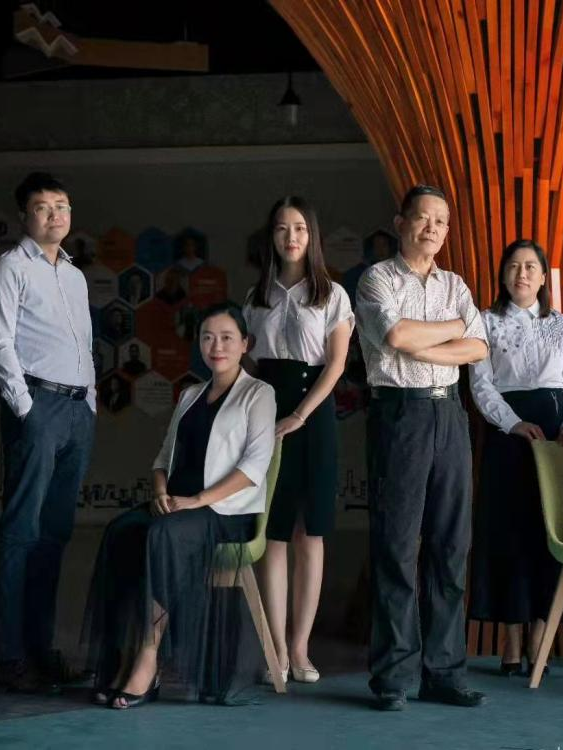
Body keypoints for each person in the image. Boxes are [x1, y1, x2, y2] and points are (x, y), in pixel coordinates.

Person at [81, 303, 276, 708]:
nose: (216, 346)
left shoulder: (259, 394)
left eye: (226, 337)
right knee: (121, 531)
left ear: (245, 343)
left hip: (225, 512)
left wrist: (197, 501)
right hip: (179, 505)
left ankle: (148, 659)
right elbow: (162, 459)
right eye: (207, 338)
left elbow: (254, 467)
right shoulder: (190, 394)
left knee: (162, 534)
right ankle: (120, 657)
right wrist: (160, 493)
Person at [356, 184, 489, 711]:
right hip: (400, 415)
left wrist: (430, 341)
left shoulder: (455, 284)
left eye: (441, 222)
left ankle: (444, 672)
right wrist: (452, 330)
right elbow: (395, 337)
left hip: (449, 414)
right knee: (396, 545)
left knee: (451, 546)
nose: (432, 228)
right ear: (401, 222)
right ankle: (393, 676)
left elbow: (478, 346)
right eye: (423, 218)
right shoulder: (377, 279)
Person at [0, 172, 96, 693]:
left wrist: (90, 401)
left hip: (77, 410)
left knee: (54, 535)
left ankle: (40, 649)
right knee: (20, 533)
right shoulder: (12, 267)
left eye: (62, 205)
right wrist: (27, 408)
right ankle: (10, 660)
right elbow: (0, 343)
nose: (55, 215)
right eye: (43, 207)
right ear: (24, 216)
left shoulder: (74, 275)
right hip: (38, 405)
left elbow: (84, 345)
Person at [467, 239, 563, 675]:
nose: (522, 274)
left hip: (557, 437)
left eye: (531, 267)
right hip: (508, 435)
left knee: (547, 533)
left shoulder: (560, 324)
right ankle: (512, 641)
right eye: (514, 266)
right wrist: (512, 422)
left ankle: (540, 636)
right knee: (509, 533)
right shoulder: (485, 321)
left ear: (542, 277)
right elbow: (481, 384)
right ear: (503, 275)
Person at [243, 196, 353, 685]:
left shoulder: (332, 294)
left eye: (301, 229)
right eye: (282, 228)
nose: (291, 237)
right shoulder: (256, 296)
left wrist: (300, 415)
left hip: (314, 413)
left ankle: (300, 648)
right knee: (274, 530)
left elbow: (337, 364)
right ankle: (275, 651)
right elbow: (248, 363)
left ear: (313, 236)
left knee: (312, 532)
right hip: (266, 411)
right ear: (271, 236)